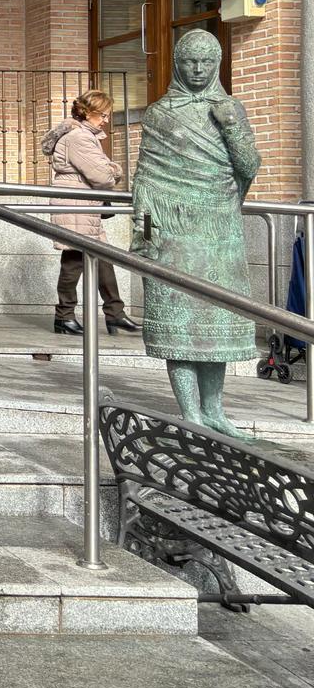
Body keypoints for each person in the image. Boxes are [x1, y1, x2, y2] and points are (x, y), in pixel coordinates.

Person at [132, 29, 260, 437]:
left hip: (219, 227)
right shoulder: (159, 113)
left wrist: (233, 125)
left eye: (206, 62)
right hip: (172, 230)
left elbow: (249, 168)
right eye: (190, 61)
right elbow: (145, 178)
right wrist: (144, 229)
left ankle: (214, 410)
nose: (199, 70)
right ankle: (190, 412)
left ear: (218, 63)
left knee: (215, 318)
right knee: (179, 321)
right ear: (177, 63)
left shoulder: (231, 108)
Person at [42, 89, 138, 336]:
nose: (106, 119)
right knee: (73, 261)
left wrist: (108, 169)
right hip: (76, 203)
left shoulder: (82, 135)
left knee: (103, 258)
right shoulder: (79, 137)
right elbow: (103, 176)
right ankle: (64, 316)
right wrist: (115, 170)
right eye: (102, 114)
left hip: (82, 203)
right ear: (88, 112)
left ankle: (114, 314)